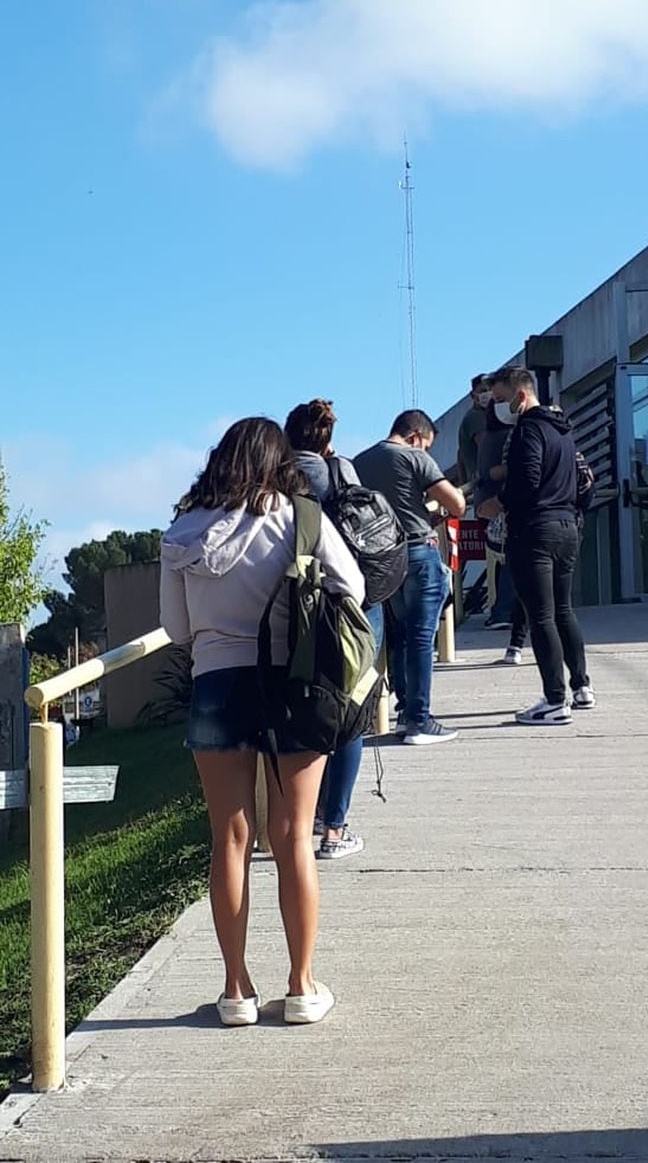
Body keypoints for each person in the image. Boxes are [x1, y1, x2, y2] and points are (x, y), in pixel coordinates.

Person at [160, 417, 364, 1027]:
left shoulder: (182, 530)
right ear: (282, 461)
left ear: (219, 460)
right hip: (293, 683)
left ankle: (235, 991)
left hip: (217, 683)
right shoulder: (300, 518)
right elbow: (351, 586)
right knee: (293, 834)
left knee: (230, 836)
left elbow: (176, 629)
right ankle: (301, 987)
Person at [285, 399, 380, 861]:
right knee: (351, 715)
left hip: (293, 611)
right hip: (347, 606)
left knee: (299, 712)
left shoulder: (275, 479)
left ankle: (307, 816)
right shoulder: (341, 470)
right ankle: (335, 828)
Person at [490, 367, 594, 725]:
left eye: (501, 399)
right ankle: (581, 686)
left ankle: (554, 699)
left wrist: (499, 502)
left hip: (535, 529)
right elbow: (585, 481)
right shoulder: (563, 430)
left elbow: (527, 479)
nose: (498, 408)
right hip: (567, 526)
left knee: (541, 616)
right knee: (563, 609)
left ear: (521, 395)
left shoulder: (528, 429)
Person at [355, 410, 466, 745]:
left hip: (381, 561)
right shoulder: (413, 457)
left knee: (399, 637)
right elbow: (457, 504)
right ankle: (420, 720)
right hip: (418, 552)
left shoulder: (361, 462)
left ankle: (404, 712)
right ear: (416, 436)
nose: (426, 451)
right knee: (421, 637)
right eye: (427, 445)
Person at [475, 396, 528, 659]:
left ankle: (504, 617)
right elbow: (508, 472)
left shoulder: (487, 436)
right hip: (505, 507)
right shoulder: (510, 436)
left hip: (492, 505)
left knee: (505, 562)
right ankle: (503, 611)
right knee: (514, 566)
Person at [457, 375, 491, 488]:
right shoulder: (476, 417)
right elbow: (486, 447)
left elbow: (460, 456)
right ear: (473, 395)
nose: (488, 394)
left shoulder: (489, 416)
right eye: (483, 391)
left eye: (491, 389)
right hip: (485, 483)